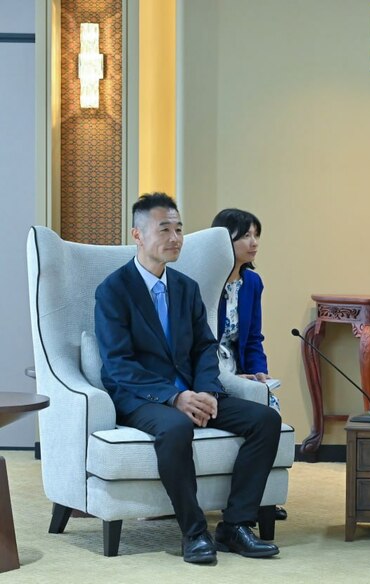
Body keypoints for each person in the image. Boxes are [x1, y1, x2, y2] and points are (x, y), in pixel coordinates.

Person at [95, 193, 282, 564]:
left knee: (265, 419)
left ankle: (235, 525)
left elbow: (204, 347)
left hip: (194, 391)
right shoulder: (114, 290)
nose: (175, 238)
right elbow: (118, 364)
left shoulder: (186, 287)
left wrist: (208, 391)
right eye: (164, 229)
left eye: (179, 229)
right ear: (137, 234)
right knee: (176, 427)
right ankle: (194, 532)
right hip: (143, 398)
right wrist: (174, 398)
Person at [210, 208, 287, 521]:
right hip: (211, 366)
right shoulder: (205, 281)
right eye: (244, 236)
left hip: (238, 365)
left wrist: (258, 372)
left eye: (256, 235)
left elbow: (253, 337)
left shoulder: (252, 282)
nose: (253, 242)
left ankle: (261, 498)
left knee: (270, 405)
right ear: (222, 241)